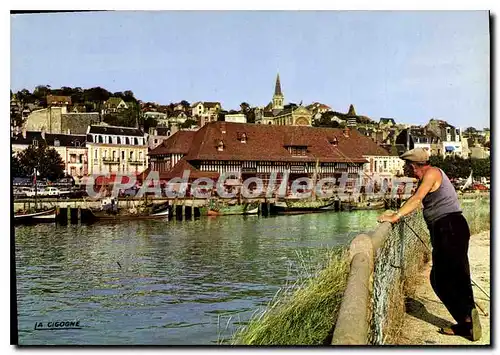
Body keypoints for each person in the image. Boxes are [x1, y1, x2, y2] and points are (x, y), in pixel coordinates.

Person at [377, 148, 481, 341]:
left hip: (448, 227)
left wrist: (395, 216)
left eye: (408, 167)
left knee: (439, 279)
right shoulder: (434, 174)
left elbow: (417, 199)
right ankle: (468, 319)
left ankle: (466, 320)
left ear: (414, 166)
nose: (408, 171)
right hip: (452, 227)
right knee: (459, 275)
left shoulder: (432, 173)